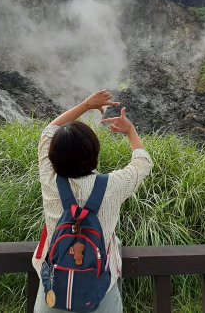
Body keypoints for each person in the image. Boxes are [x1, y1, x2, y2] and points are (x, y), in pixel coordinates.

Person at [32, 89, 153, 312]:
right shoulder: (113, 185)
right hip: (100, 290)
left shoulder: (50, 179)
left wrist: (87, 105)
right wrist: (130, 131)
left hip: (53, 289)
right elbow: (143, 162)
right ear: (95, 154)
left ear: (51, 157)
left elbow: (48, 131)